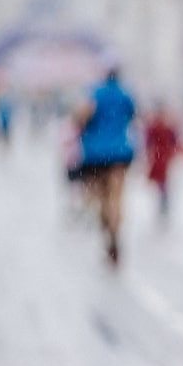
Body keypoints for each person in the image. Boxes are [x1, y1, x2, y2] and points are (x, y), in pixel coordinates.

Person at [73, 63, 137, 267]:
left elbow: (80, 117)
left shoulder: (94, 93)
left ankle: (106, 228)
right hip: (120, 152)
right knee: (116, 197)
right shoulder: (126, 94)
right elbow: (133, 117)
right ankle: (114, 231)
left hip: (96, 154)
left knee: (100, 196)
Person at [144, 102, 180, 219]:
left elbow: (148, 142)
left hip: (160, 156)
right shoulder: (162, 127)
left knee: (162, 180)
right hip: (161, 156)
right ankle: (163, 200)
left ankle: (163, 201)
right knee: (162, 180)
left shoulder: (157, 127)